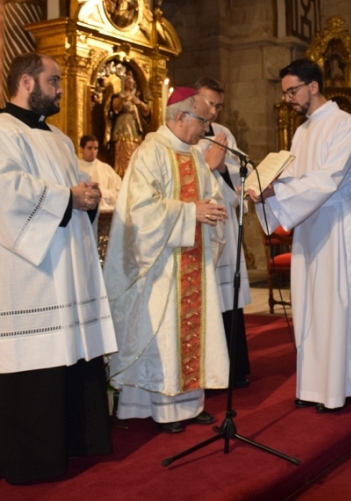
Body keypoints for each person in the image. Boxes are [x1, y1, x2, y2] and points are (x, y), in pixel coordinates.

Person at [0, 52, 117, 484]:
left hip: (65, 268)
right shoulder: (2, 131)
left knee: (69, 354)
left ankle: (76, 441)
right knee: (36, 363)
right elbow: (6, 190)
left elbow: (71, 194)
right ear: (27, 82)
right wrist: (68, 197)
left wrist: (85, 195)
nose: (61, 89)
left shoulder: (61, 139)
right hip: (29, 272)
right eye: (54, 80)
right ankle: (32, 459)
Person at [248, 59, 351, 412]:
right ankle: (313, 386)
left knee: (334, 304)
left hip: (335, 224)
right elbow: (290, 174)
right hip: (308, 226)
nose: (288, 99)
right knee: (309, 305)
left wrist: (276, 192)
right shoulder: (302, 132)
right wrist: (264, 185)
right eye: (285, 93)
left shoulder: (347, 124)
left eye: (292, 91)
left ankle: (338, 387)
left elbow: (329, 179)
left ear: (313, 86)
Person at [104, 86, 230, 434]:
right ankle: (161, 406)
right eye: (202, 120)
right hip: (160, 268)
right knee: (161, 335)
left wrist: (215, 209)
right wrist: (191, 213)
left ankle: (190, 404)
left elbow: (211, 197)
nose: (206, 128)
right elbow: (140, 211)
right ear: (180, 116)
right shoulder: (150, 152)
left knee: (191, 331)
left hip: (192, 261)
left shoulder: (193, 155)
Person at [195, 77, 252, 388]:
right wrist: (208, 165)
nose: (214, 111)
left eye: (218, 105)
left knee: (227, 299)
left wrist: (221, 169)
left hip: (225, 227)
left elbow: (240, 172)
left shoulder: (223, 134)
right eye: (209, 103)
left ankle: (234, 370)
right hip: (200, 227)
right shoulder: (185, 135)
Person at [107, 73, 150, 176]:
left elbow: (146, 111)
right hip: (122, 123)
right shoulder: (119, 95)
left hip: (134, 125)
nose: (131, 84)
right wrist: (123, 99)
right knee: (122, 147)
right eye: (129, 82)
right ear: (124, 83)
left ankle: (134, 171)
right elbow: (115, 108)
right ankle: (122, 171)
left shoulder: (135, 98)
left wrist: (139, 103)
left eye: (132, 82)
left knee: (134, 147)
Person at [78, 134, 122, 212]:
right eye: (89, 148)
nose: (93, 151)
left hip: (103, 214)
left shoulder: (106, 169)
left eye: (95, 148)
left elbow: (120, 193)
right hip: (80, 212)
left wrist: (101, 193)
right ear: (81, 149)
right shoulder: (75, 167)